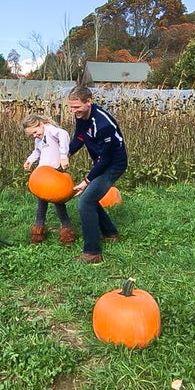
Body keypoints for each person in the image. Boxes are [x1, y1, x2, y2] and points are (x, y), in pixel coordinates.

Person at [67, 86, 128, 264]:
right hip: (101, 162)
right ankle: (110, 233)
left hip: (113, 164)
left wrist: (87, 180)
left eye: (77, 107)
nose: (74, 111)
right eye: (71, 107)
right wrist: (66, 154)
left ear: (88, 101)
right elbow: (79, 137)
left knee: (85, 201)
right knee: (89, 199)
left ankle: (92, 253)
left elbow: (105, 160)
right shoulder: (82, 117)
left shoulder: (103, 124)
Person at [21, 113, 75, 245]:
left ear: (40, 124)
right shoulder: (38, 139)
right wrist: (30, 160)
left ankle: (67, 233)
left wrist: (63, 156)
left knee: (59, 204)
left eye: (35, 131)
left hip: (55, 174)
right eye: (31, 134)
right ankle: (38, 233)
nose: (34, 135)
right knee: (41, 206)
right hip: (43, 176)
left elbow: (63, 134)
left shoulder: (50, 130)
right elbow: (37, 152)